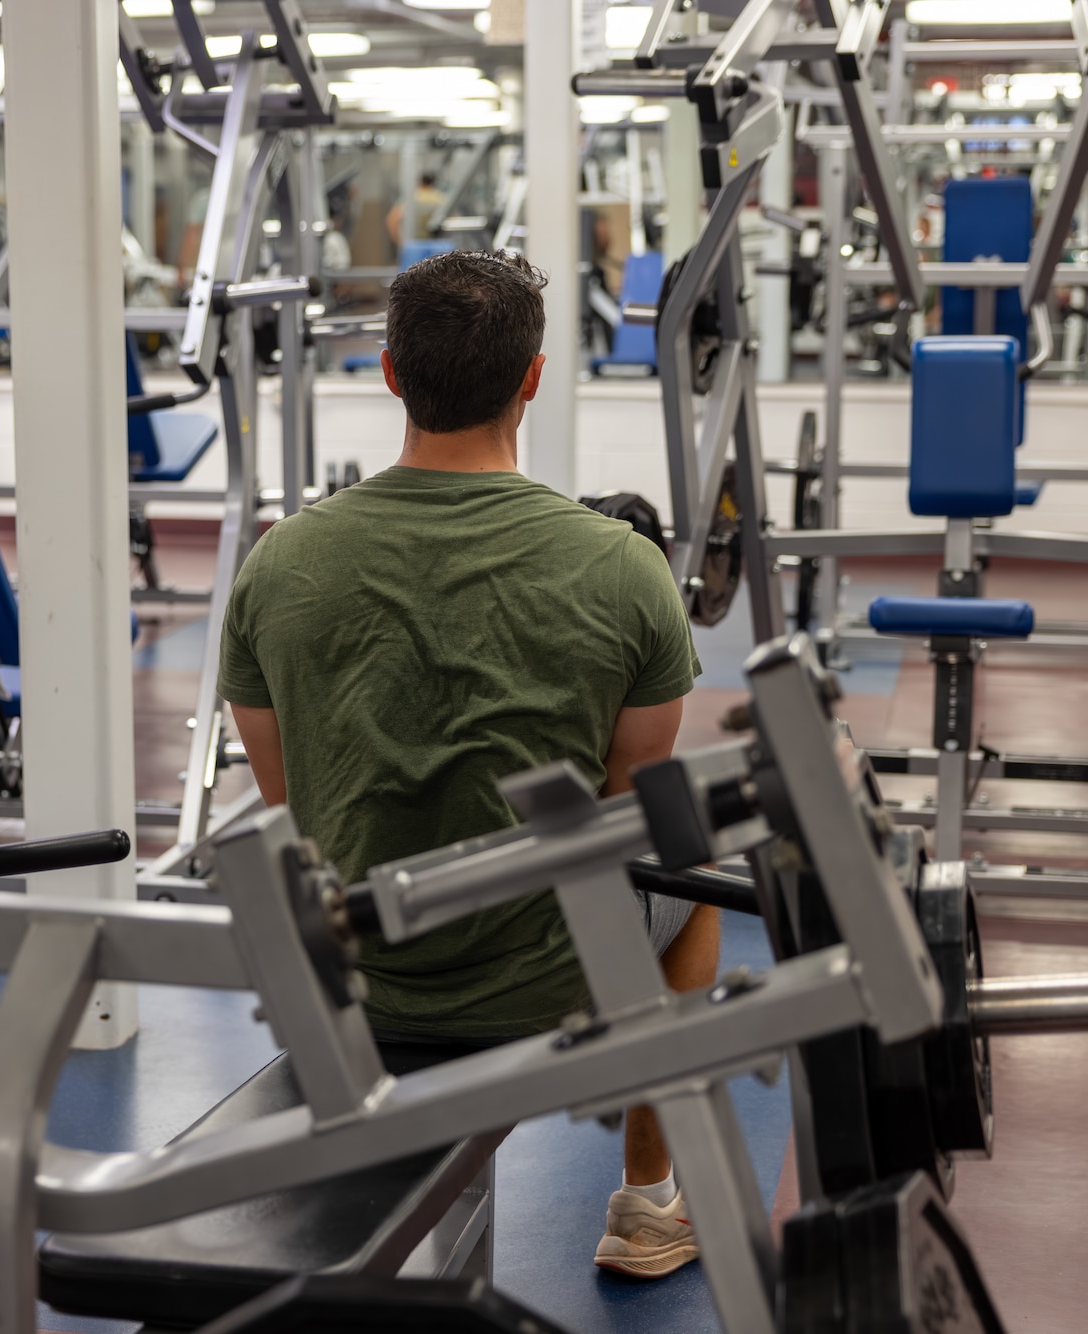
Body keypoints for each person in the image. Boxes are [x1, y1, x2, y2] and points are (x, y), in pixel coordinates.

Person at [219, 249, 719, 1280]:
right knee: (696, 879)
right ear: (531, 377)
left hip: (347, 981)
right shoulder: (627, 571)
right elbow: (625, 819)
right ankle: (647, 1203)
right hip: (546, 981)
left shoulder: (278, 563)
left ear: (390, 374)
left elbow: (291, 803)